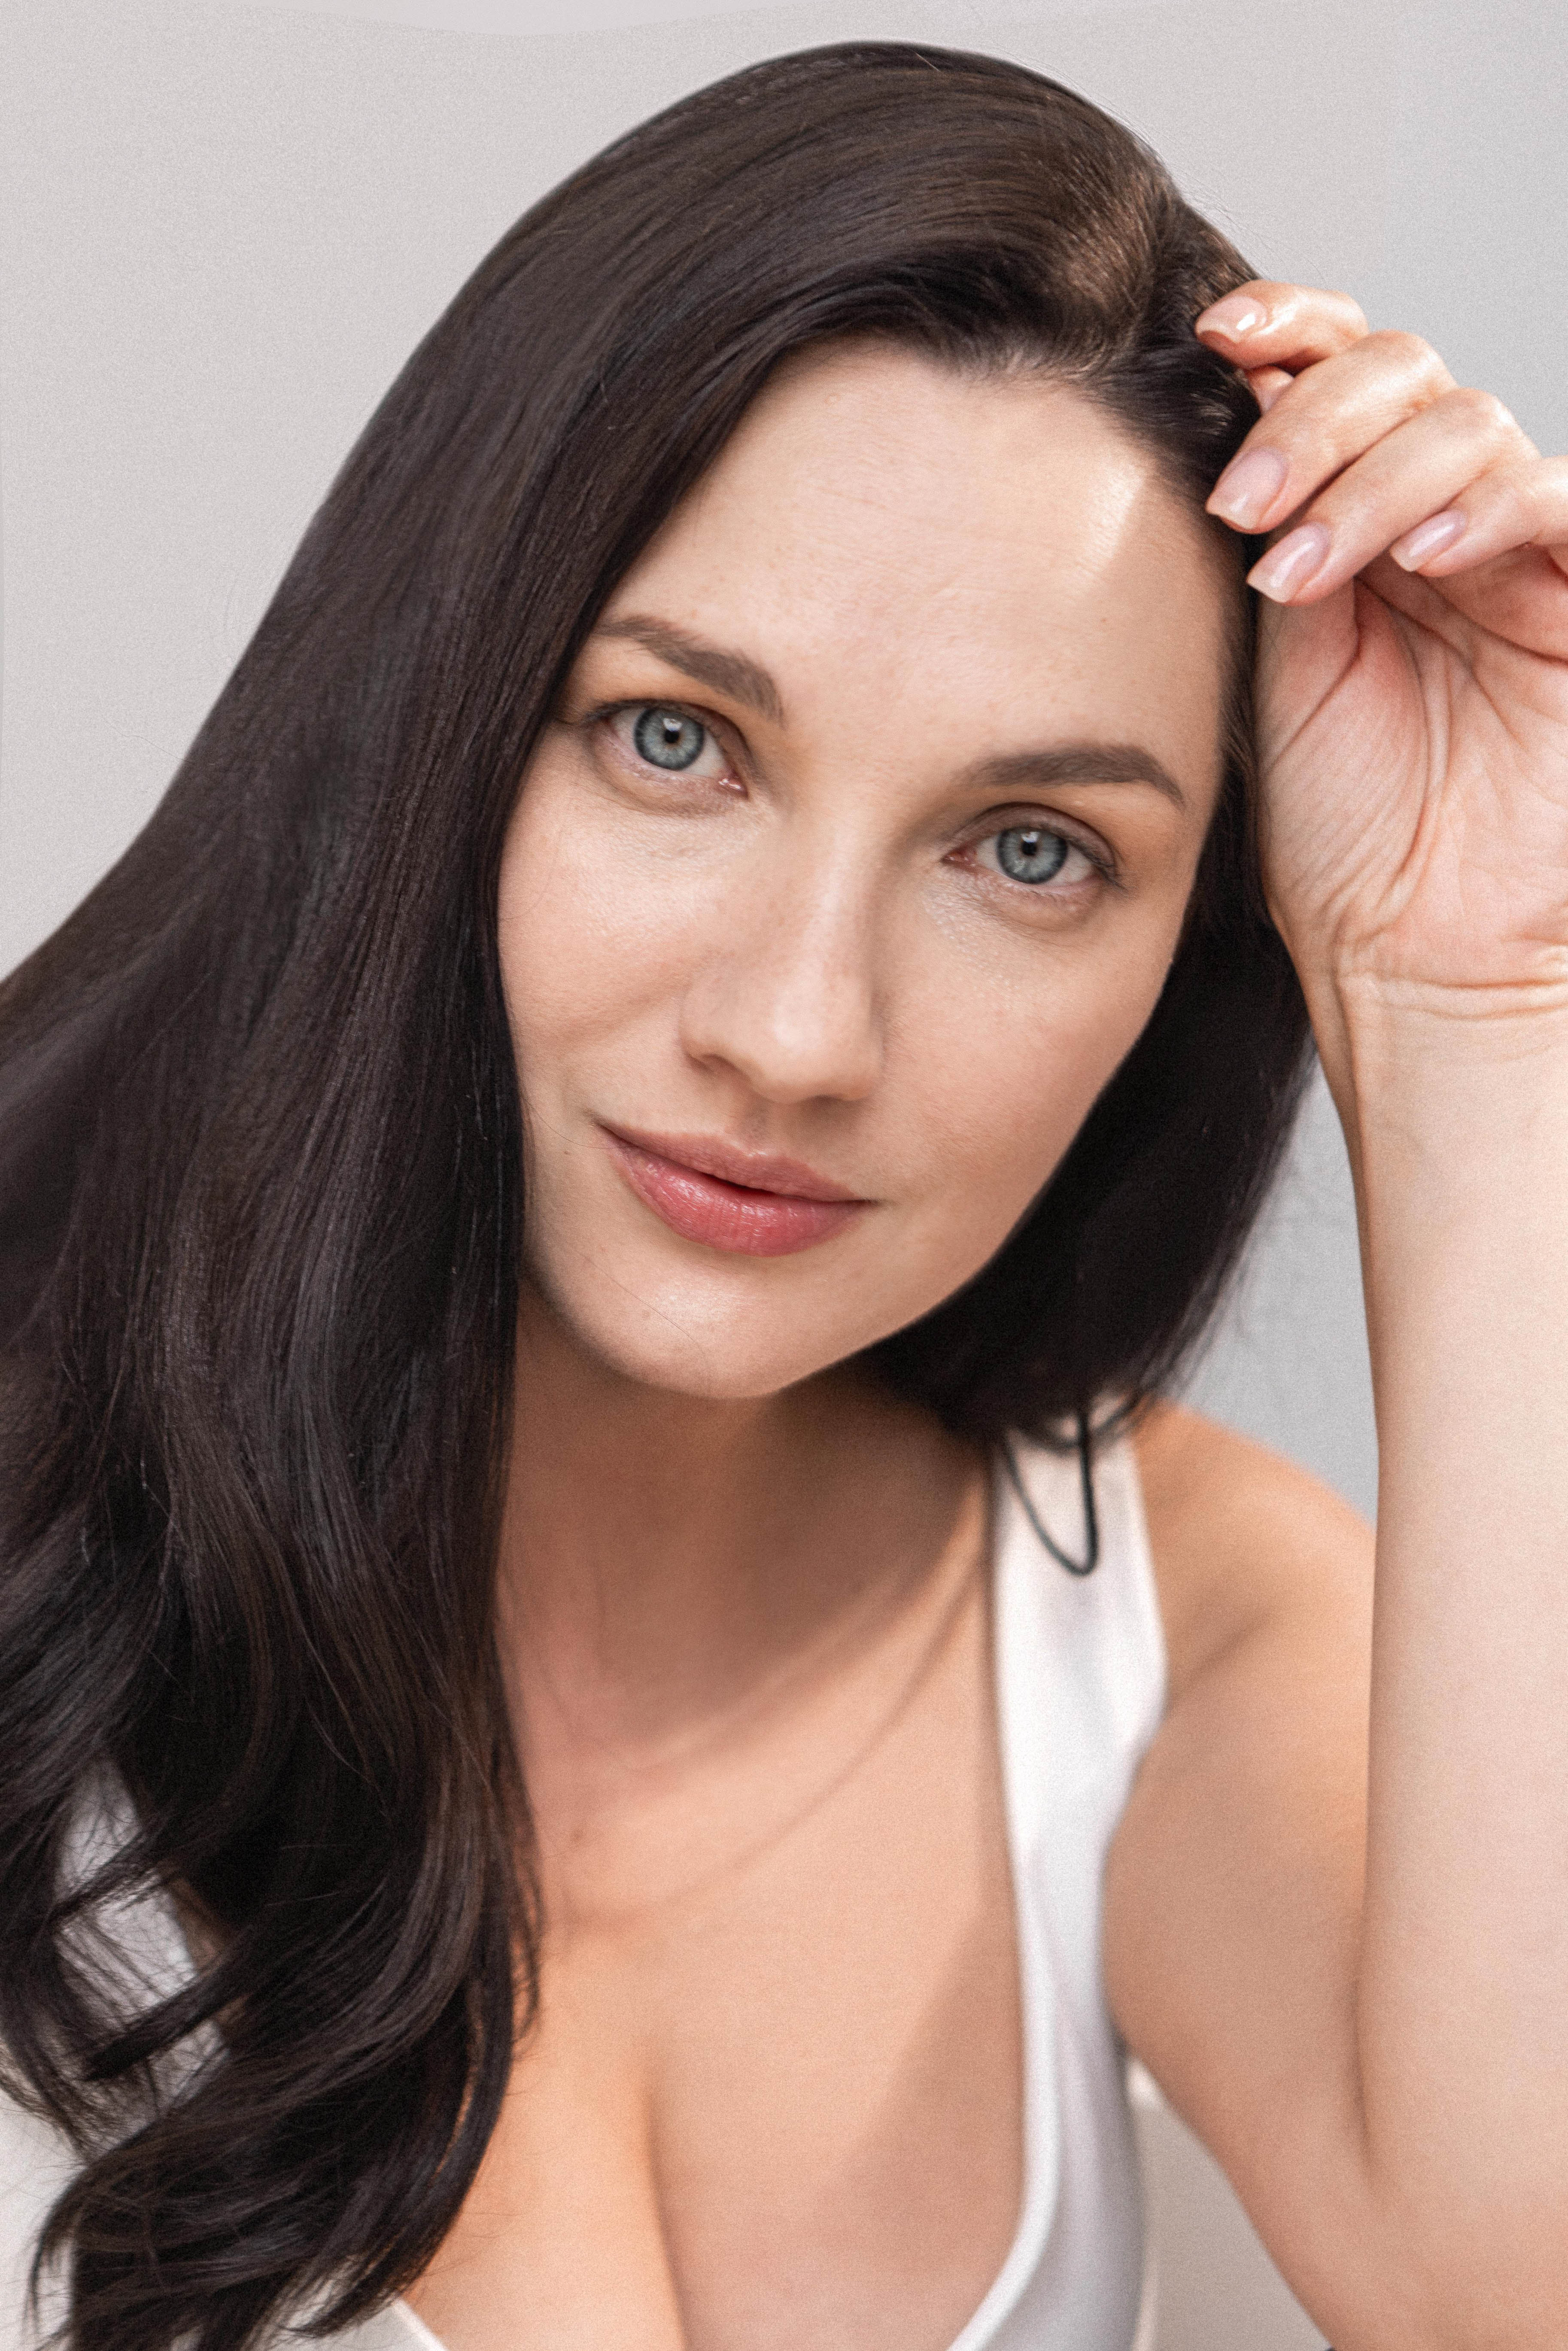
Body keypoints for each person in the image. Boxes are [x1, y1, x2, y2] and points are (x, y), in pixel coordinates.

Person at [1, 34, 1564, 2351]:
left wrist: (1485, 1008)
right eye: (675, 740)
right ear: (437, 713)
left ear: (1185, 941)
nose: (800, 1030)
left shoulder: (1166, 1629)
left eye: (1032, 850)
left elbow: (1506, 2286)